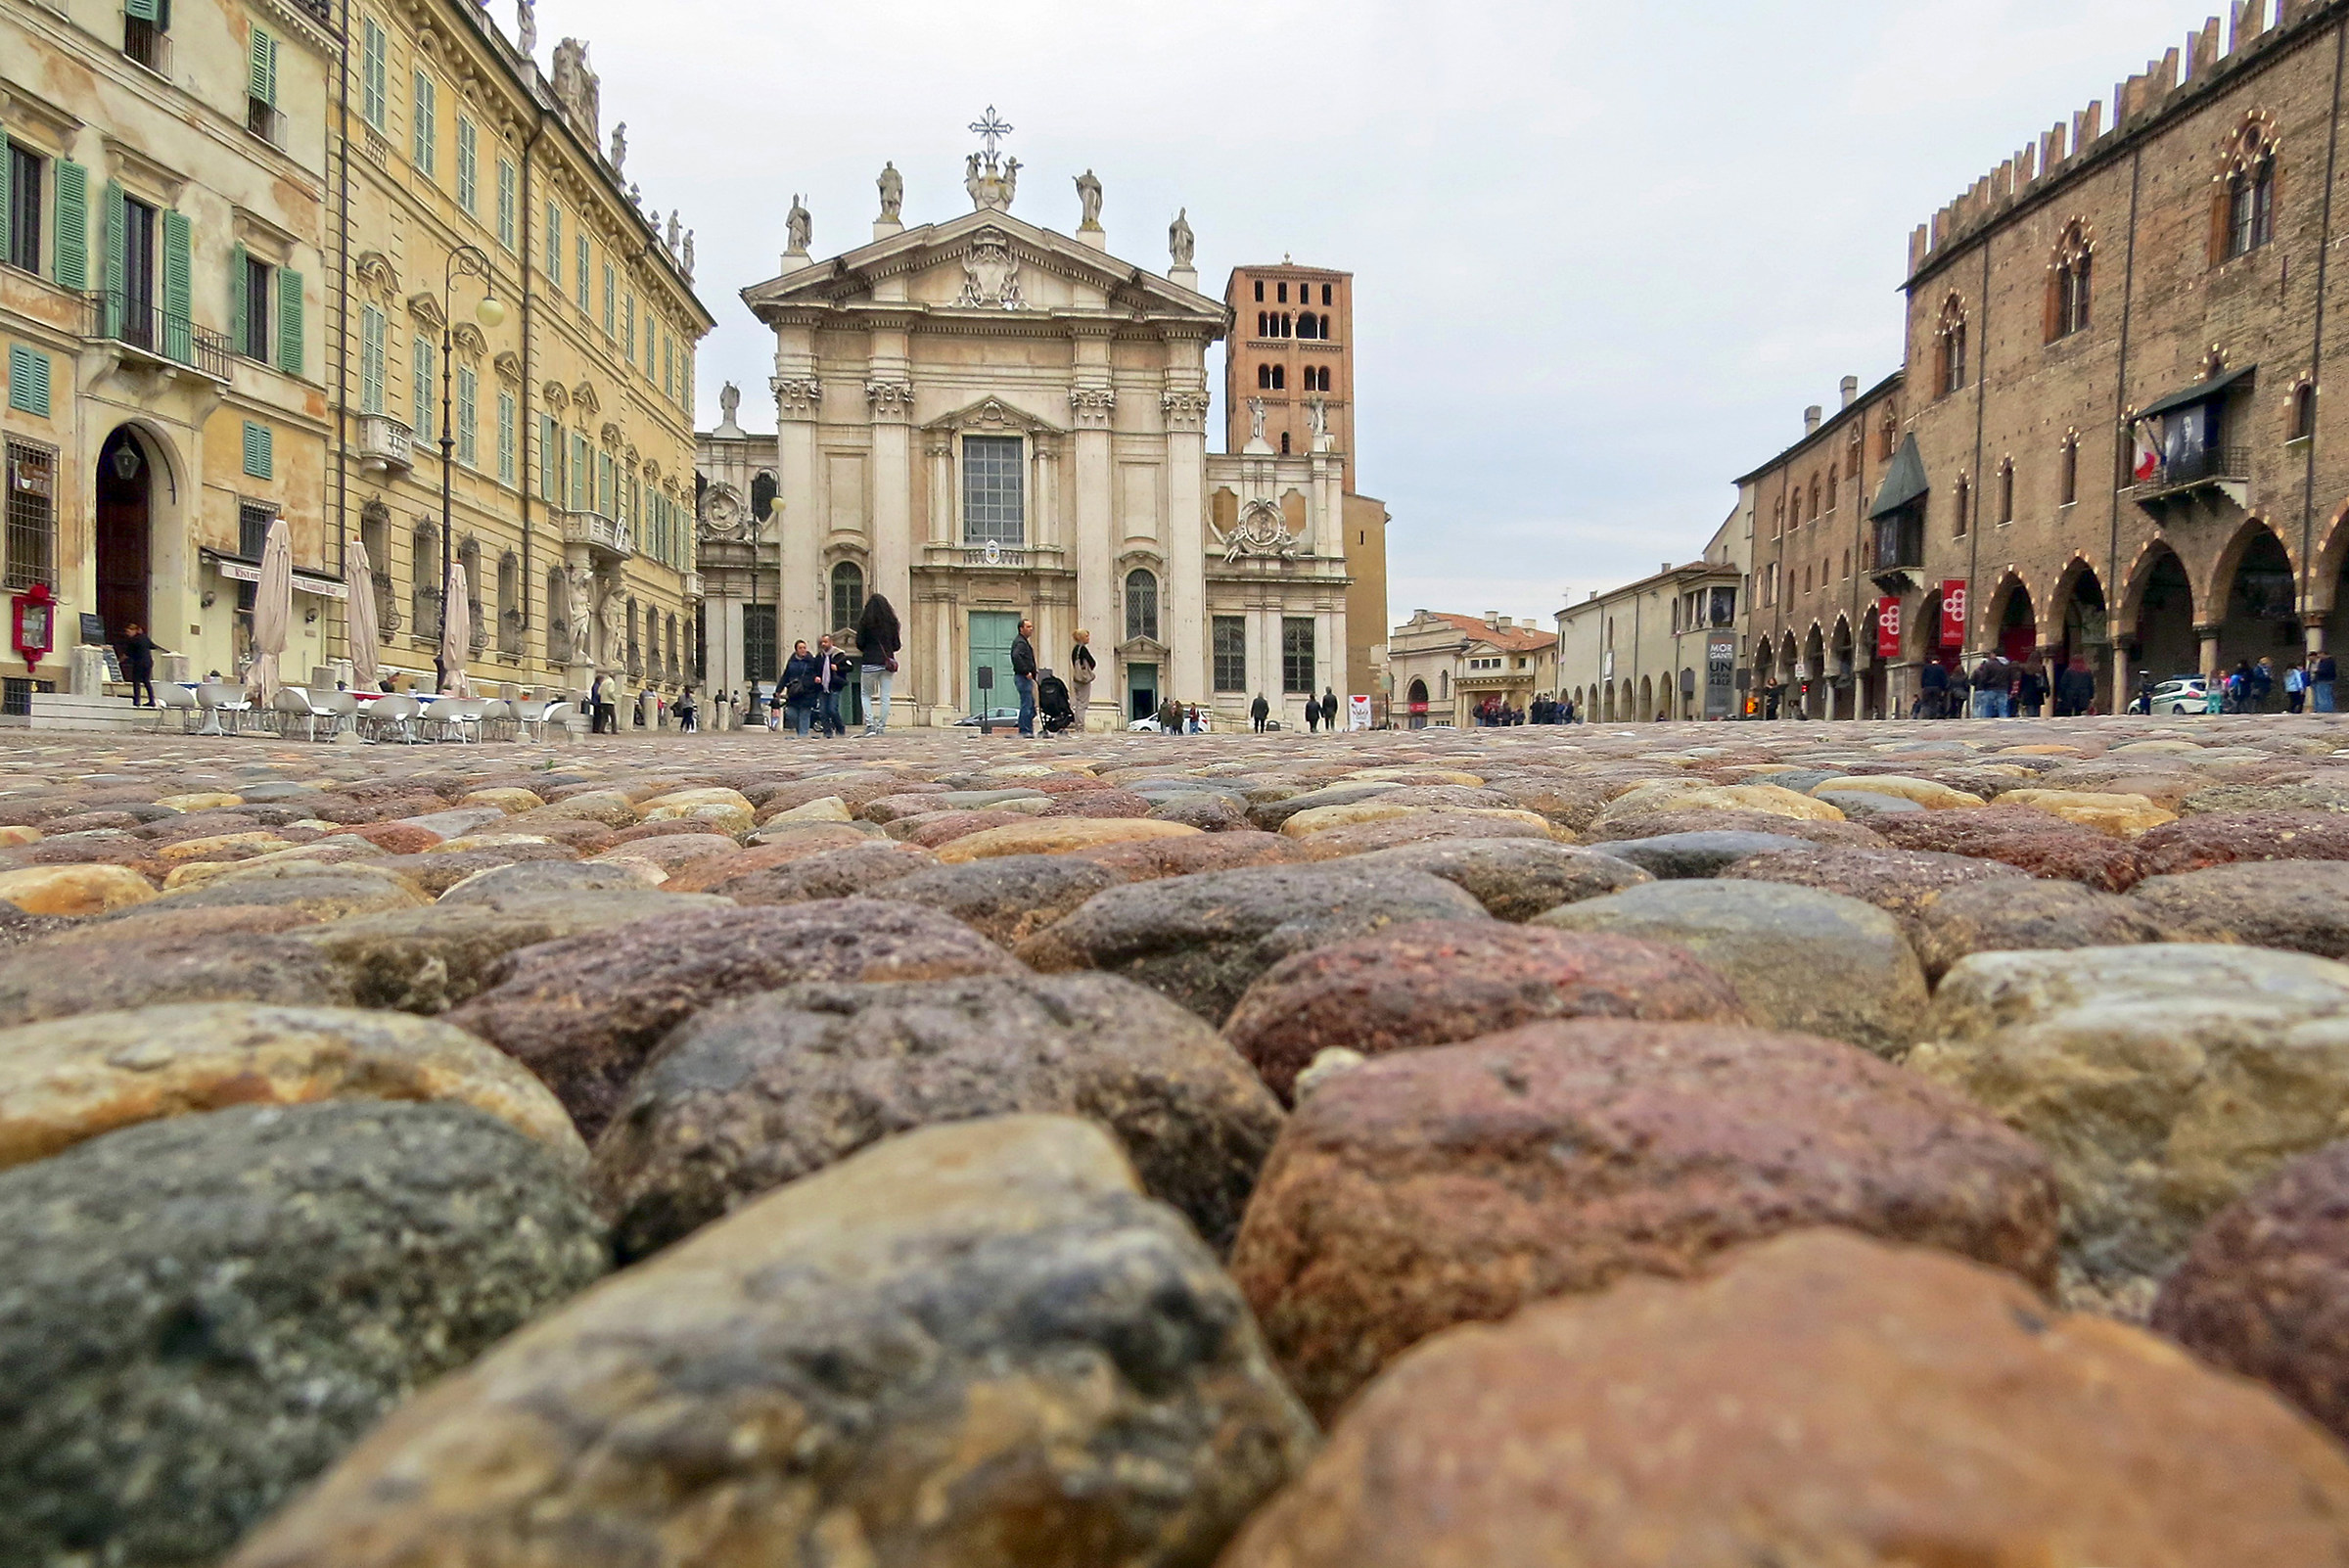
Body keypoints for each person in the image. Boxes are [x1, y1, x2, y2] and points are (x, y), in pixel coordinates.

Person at [855, 594, 901, 737]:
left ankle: (870, 725)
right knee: (885, 696)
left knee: (865, 695)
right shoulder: (892, 623)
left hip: (869, 662)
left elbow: (859, 643)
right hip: (887, 664)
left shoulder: (865, 623)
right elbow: (897, 645)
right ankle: (881, 726)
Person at [813, 633, 850, 737]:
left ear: (831, 642)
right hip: (822, 686)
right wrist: (816, 677)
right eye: (822, 642)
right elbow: (815, 669)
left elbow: (850, 668)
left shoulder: (840, 655)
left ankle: (840, 727)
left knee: (832, 709)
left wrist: (838, 668)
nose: (823, 644)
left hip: (835, 686)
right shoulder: (819, 656)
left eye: (825, 642)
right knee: (823, 711)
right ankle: (827, 732)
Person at [781, 640, 820, 736]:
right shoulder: (791, 662)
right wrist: (779, 689)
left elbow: (817, 672)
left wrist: (816, 679)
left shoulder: (812, 661)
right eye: (800, 648)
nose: (803, 650)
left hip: (807, 692)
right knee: (791, 713)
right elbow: (786, 676)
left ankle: (803, 735)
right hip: (794, 692)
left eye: (804, 648)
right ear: (796, 650)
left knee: (804, 714)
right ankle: (801, 732)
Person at [117, 623, 161, 707]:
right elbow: (153, 646)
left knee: (136, 681)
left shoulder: (133, 640)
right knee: (146, 681)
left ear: (134, 631)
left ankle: (137, 701)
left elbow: (127, 654)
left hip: (139, 662)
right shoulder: (144, 638)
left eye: (128, 631)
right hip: (148, 661)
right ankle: (151, 700)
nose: (127, 634)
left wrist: (118, 661)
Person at [1010, 619, 1037, 737]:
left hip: (1024, 677)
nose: (1031, 629)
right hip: (1023, 677)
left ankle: (1026, 729)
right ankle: (1025, 730)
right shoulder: (1020, 643)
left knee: (1030, 704)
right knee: (1027, 704)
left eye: (1031, 627)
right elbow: (1016, 656)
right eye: (1028, 627)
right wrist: (1026, 671)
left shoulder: (1023, 642)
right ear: (1021, 629)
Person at [1069, 628, 1096, 731]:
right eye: (1086, 636)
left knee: (1078, 703)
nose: (1088, 638)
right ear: (1081, 637)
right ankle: (1080, 726)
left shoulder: (1075, 650)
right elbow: (1092, 662)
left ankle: (1078, 725)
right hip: (1083, 679)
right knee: (1083, 704)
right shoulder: (1083, 649)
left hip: (1076, 678)